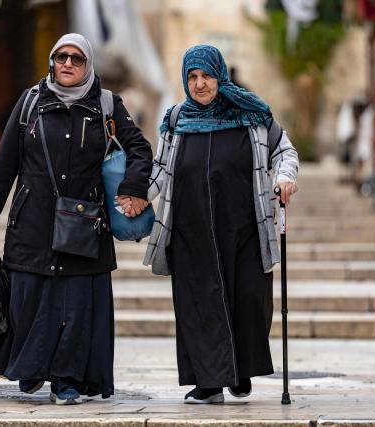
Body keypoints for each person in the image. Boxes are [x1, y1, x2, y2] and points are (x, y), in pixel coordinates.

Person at [0, 33, 152, 405]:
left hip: (85, 224)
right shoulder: (30, 103)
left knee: (77, 308)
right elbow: (4, 166)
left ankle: (68, 381)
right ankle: (32, 369)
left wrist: (133, 188)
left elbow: (140, 148)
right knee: (30, 301)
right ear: (52, 61)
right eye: (61, 57)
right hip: (32, 224)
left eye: (76, 59)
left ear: (87, 66)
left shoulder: (106, 105)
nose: (67, 64)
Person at [142, 44, 299, 404]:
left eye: (206, 76)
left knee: (247, 299)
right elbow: (161, 169)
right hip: (190, 229)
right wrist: (136, 196)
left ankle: (240, 370)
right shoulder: (177, 120)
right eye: (192, 77)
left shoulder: (252, 114)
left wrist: (285, 177)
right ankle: (210, 382)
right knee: (198, 304)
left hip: (243, 227)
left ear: (220, 76)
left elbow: (284, 151)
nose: (199, 84)